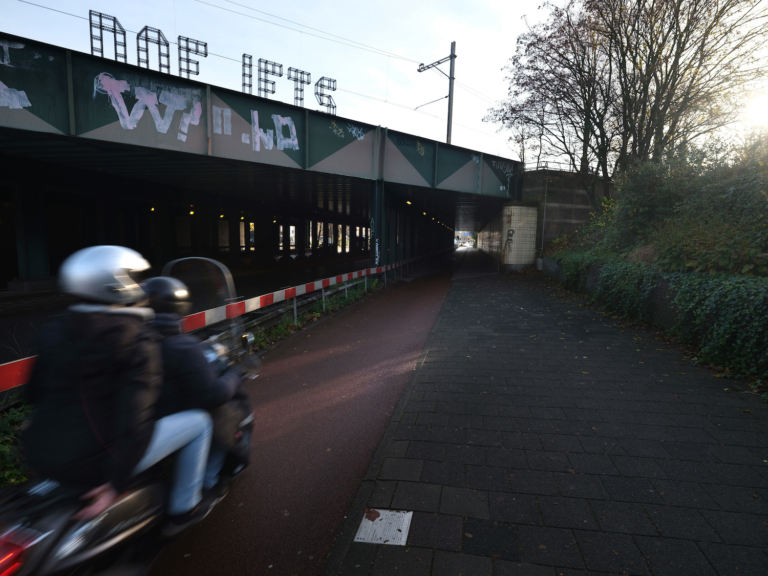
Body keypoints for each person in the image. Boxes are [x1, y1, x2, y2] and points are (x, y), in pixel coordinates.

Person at [22, 246, 215, 535]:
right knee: (200, 423)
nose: (139, 286)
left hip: (38, 453)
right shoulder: (135, 337)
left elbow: (34, 395)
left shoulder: (54, 331)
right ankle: (184, 507)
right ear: (114, 284)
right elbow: (134, 419)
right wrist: (116, 482)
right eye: (133, 278)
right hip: (93, 464)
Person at [142, 276, 243, 497]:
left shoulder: (138, 338)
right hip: (157, 422)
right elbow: (212, 394)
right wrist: (235, 376)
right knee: (219, 418)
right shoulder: (182, 345)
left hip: (143, 415)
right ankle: (205, 485)